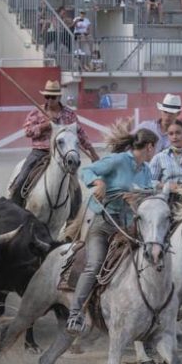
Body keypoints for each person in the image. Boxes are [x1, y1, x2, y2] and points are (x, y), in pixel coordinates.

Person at [66, 123, 158, 334]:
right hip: (104, 222)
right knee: (95, 263)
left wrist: (142, 195)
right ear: (150, 147)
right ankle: (74, 313)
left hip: (128, 226)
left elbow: (147, 192)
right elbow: (87, 170)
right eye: (156, 148)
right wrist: (98, 183)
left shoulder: (144, 170)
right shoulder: (118, 161)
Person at [11, 80, 99, 217]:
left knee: (76, 190)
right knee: (21, 179)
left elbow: (80, 133)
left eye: (53, 97)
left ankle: (72, 221)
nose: (50, 100)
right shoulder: (36, 112)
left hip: (63, 155)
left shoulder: (69, 114)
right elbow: (27, 132)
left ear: (59, 97)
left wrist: (92, 153)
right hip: (40, 152)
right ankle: (13, 212)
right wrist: (44, 126)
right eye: (47, 97)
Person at [149, 120, 182, 191]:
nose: (174, 137)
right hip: (168, 198)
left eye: (178, 133)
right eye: (171, 134)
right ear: (167, 136)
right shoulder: (159, 157)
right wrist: (166, 186)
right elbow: (150, 181)